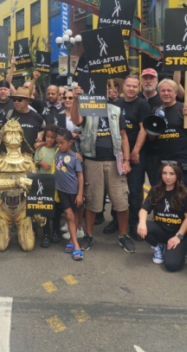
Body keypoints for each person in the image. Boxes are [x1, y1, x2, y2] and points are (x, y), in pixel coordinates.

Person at [70, 86, 132, 252]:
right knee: (92, 200)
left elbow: (124, 136)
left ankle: (123, 235)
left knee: (121, 201)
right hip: (92, 161)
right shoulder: (86, 108)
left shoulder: (116, 110)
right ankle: (89, 236)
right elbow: (76, 121)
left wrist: (126, 160)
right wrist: (75, 100)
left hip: (115, 162)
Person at [112, 74, 150, 238]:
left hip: (135, 154)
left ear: (139, 87)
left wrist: (135, 151)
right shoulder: (116, 104)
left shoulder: (142, 104)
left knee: (134, 191)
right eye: (129, 85)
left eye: (135, 86)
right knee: (117, 190)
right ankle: (116, 221)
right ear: (124, 86)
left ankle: (134, 224)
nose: (131, 88)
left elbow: (144, 129)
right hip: (117, 154)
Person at [137, 163, 187, 271]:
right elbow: (144, 209)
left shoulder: (185, 193)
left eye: (171, 174)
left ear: (177, 175)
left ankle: (183, 249)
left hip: (178, 233)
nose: (167, 177)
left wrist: (178, 237)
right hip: (161, 230)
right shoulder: (156, 190)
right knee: (140, 226)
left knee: (172, 266)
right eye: (164, 173)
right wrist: (141, 223)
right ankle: (158, 246)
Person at [151, 79, 187, 189]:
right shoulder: (156, 111)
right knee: (164, 200)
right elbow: (152, 138)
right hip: (163, 164)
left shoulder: (185, 108)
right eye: (163, 90)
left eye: (169, 90)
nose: (166, 93)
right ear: (159, 93)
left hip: (183, 164)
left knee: (184, 199)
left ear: (175, 93)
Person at [55, 129, 84, 261]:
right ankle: (76, 245)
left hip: (74, 191)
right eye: (58, 143)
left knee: (75, 216)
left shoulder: (75, 157)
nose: (59, 145)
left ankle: (72, 241)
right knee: (69, 215)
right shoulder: (57, 153)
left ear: (70, 142)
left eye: (62, 143)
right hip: (62, 191)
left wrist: (80, 194)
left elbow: (80, 176)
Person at [34, 125, 62, 247]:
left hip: (56, 185)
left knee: (56, 211)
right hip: (43, 184)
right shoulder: (40, 149)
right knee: (44, 210)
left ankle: (56, 231)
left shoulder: (59, 150)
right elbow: (34, 162)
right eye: (48, 136)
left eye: (53, 137)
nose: (50, 139)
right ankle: (45, 234)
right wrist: (40, 162)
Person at [139, 68, 164, 187]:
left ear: (157, 81)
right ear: (141, 80)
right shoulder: (136, 98)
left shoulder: (163, 99)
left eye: (151, 78)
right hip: (137, 151)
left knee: (157, 185)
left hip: (156, 152)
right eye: (145, 78)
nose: (148, 81)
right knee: (135, 187)